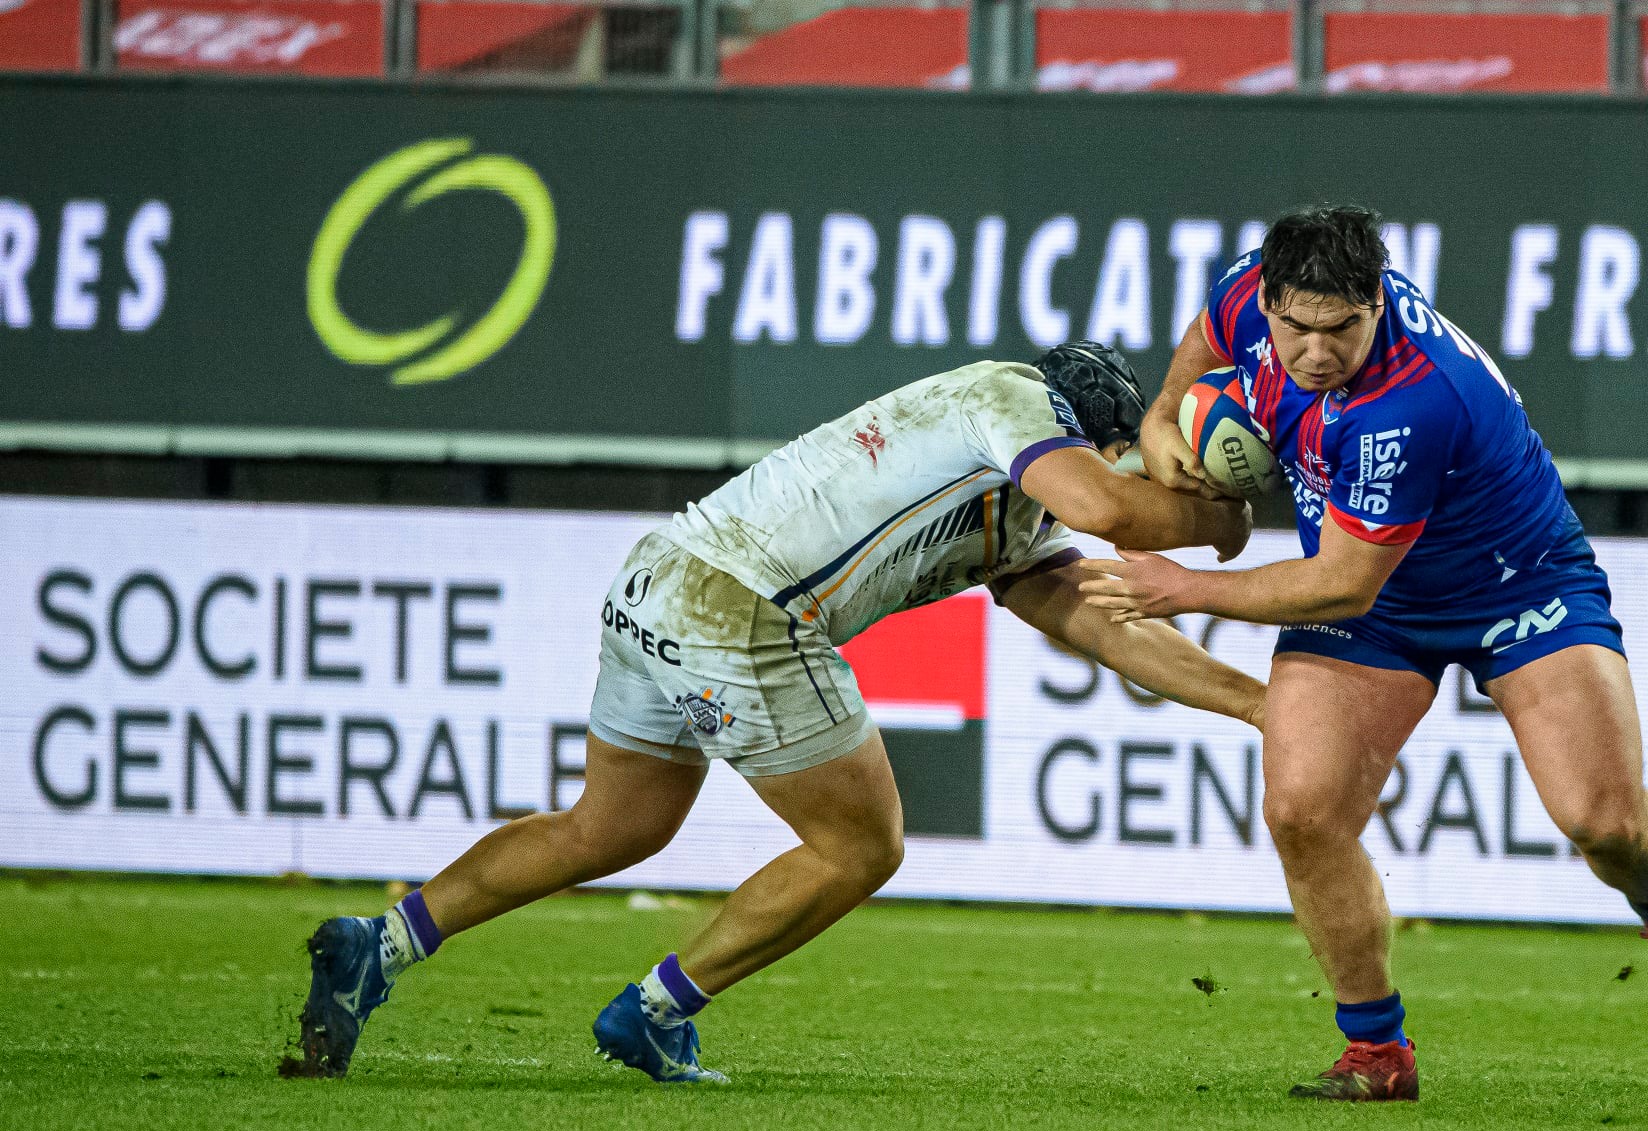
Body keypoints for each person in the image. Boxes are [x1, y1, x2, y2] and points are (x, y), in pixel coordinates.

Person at [291, 341, 1265, 1083]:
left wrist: (1262, 707)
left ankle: (376, 946)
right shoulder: (1005, 396)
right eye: (1120, 459)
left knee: (610, 826)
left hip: (657, 584)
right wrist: (1223, 519)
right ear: (1090, 432)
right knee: (861, 844)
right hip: (733, 605)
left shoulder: (1018, 512)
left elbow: (1108, 624)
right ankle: (656, 1011)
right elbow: (1105, 507)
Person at [1080, 205, 1648, 1103]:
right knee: (1302, 808)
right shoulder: (1251, 291)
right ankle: (1376, 1050)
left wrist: (1187, 589)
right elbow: (1206, 337)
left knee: (1605, 822)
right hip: (1383, 603)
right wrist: (1165, 414)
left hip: (1515, 584)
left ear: (1377, 302)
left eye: (1343, 329)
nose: (1316, 352)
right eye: (1297, 329)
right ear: (1270, 299)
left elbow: (1341, 584)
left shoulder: (1412, 400)